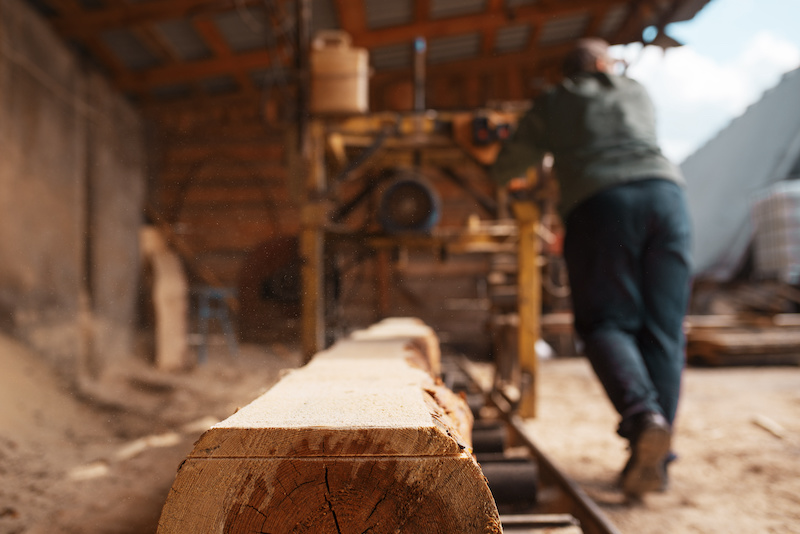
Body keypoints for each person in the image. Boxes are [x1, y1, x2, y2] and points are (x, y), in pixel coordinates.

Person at [490, 38, 692, 497]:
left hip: (603, 205)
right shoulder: (635, 89)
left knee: (606, 322)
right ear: (603, 64)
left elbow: (510, 166)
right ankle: (657, 457)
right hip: (668, 198)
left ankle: (643, 418)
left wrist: (506, 174)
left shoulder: (556, 99)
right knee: (663, 329)